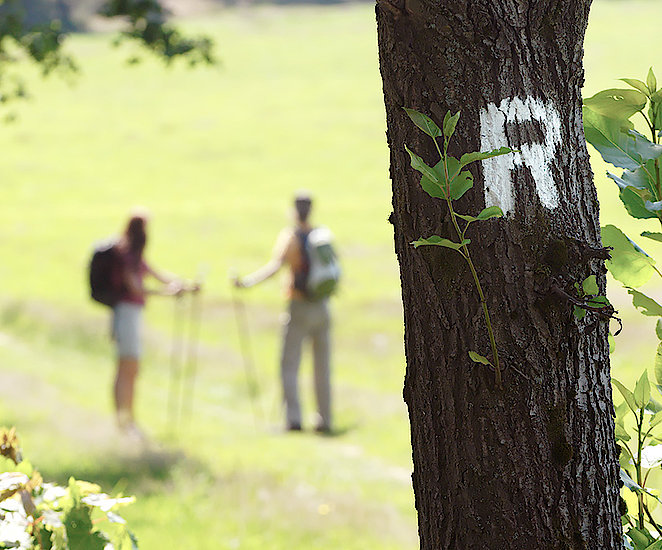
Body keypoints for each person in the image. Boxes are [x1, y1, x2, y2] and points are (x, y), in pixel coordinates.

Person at [234, 193, 333, 433]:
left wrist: (247, 283)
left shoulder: (291, 237)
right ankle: (324, 419)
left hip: (299, 306)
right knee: (322, 365)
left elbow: (275, 267)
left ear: (293, 211)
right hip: (322, 305)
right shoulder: (322, 235)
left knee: (289, 364)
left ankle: (294, 419)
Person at [112, 209, 197, 438]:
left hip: (132, 314)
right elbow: (136, 288)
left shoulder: (135, 256)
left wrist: (185, 286)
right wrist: (167, 293)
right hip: (127, 314)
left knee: (131, 367)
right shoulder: (128, 255)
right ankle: (123, 419)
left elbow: (158, 275)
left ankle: (128, 418)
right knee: (127, 366)